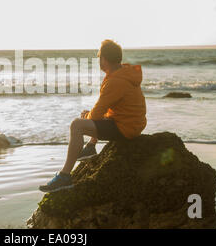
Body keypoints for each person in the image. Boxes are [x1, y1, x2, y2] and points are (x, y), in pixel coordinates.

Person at [39, 39, 147, 192]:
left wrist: (88, 116)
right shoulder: (124, 73)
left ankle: (64, 176)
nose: (99, 61)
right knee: (88, 116)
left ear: (104, 59)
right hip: (132, 123)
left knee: (77, 125)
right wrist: (90, 115)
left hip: (126, 128)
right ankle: (90, 147)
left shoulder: (116, 81)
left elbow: (96, 114)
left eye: (99, 57)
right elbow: (105, 109)